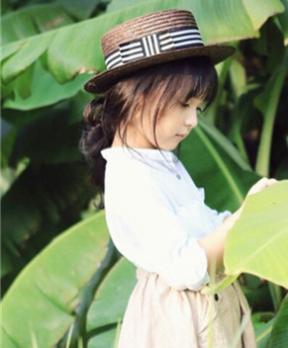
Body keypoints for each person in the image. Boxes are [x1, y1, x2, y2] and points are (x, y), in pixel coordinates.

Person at [79, 9, 277, 348]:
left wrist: (252, 219)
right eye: (185, 105)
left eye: (197, 109)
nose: (192, 122)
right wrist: (244, 218)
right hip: (179, 324)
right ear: (140, 97)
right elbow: (188, 268)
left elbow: (204, 228)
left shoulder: (159, 161)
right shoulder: (131, 177)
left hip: (209, 311)